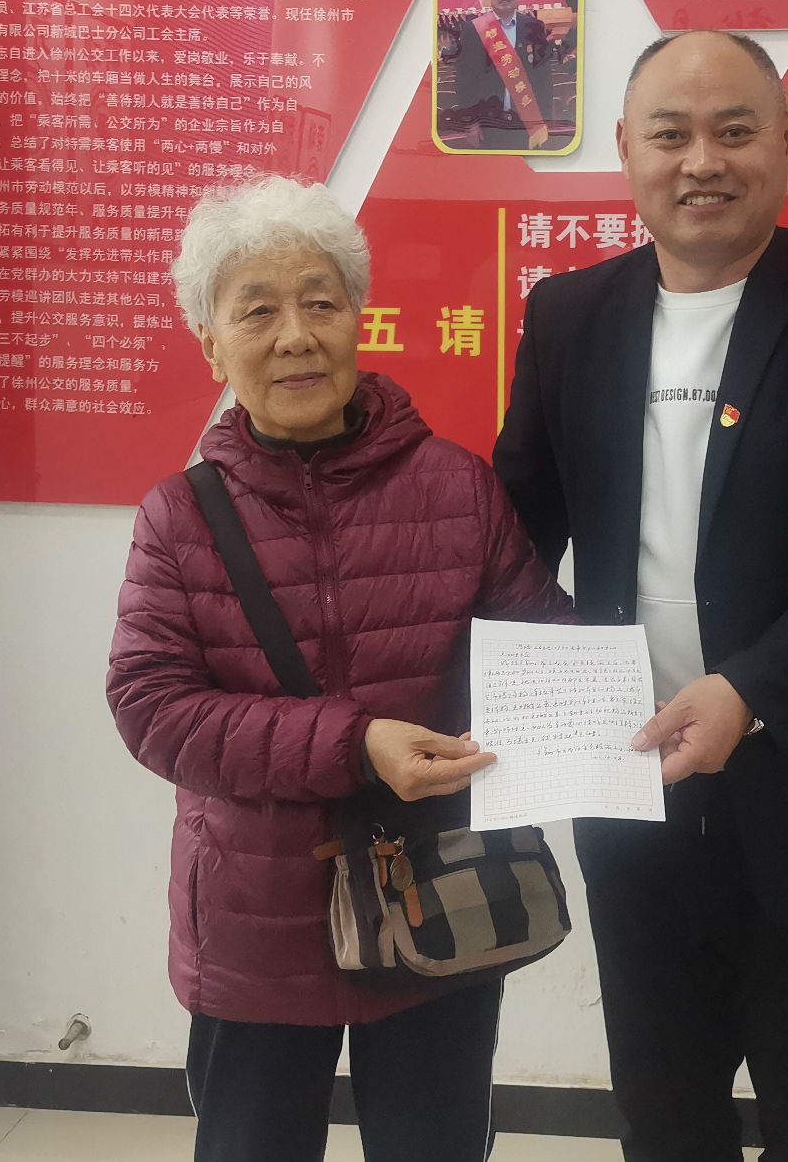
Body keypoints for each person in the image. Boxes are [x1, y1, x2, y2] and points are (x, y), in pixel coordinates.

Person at [493, 30, 788, 1161]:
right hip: (633, 791)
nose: (701, 160)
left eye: (734, 130)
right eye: (671, 134)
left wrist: (751, 690)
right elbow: (513, 531)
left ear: (787, 142)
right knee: (663, 1121)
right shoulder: (569, 316)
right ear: (626, 148)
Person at [109, 175, 575, 1162]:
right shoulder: (178, 517)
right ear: (210, 343)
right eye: (258, 311)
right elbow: (152, 708)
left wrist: (619, 702)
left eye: (320, 302)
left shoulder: (456, 487)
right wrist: (357, 744)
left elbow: (540, 645)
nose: (295, 336)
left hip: (434, 892)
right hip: (254, 918)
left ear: (358, 318)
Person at [442, 0, 556, 149]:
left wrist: (544, 121)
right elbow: (465, 80)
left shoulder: (534, 26)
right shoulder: (473, 29)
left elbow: (544, 79)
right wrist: (470, 122)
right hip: (488, 124)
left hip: (526, 124)